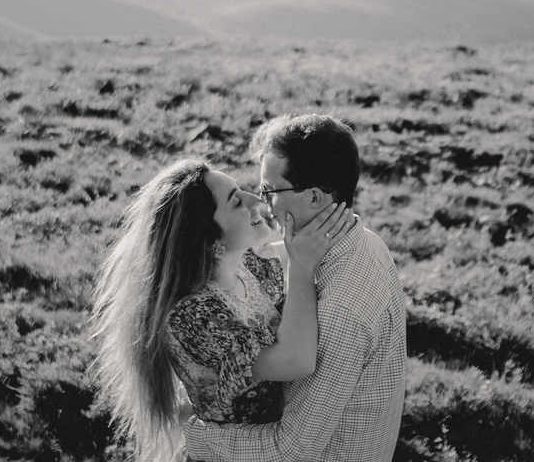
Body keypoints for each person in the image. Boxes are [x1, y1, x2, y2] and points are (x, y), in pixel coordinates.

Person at [90, 157, 354, 462]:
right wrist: (302, 266)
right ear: (208, 238)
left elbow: (297, 251)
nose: (255, 200)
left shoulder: (247, 263)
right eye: (236, 201)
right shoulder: (193, 317)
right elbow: (296, 361)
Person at [184, 114, 408, 462]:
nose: (262, 202)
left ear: (315, 198)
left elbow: (293, 449)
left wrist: (196, 437)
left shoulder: (341, 310)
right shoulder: (366, 242)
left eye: (270, 191)